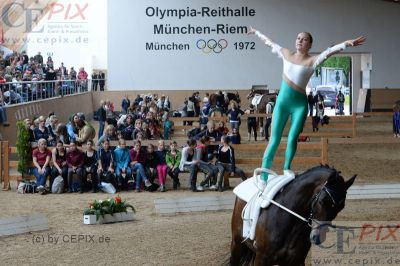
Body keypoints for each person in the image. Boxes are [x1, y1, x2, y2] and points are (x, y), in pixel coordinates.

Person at [249, 26, 365, 181]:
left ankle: (287, 168)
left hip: (299, 105)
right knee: (274, 139)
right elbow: (269, 42)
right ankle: (263, 176)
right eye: (298, 38)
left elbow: (330, 51)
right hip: (283, 103)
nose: (300, 41)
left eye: (304, 39)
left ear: (309, 45)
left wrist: (346, 43)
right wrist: (256, 32)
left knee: (292, 138)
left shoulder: (313, 60)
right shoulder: (286, 53)